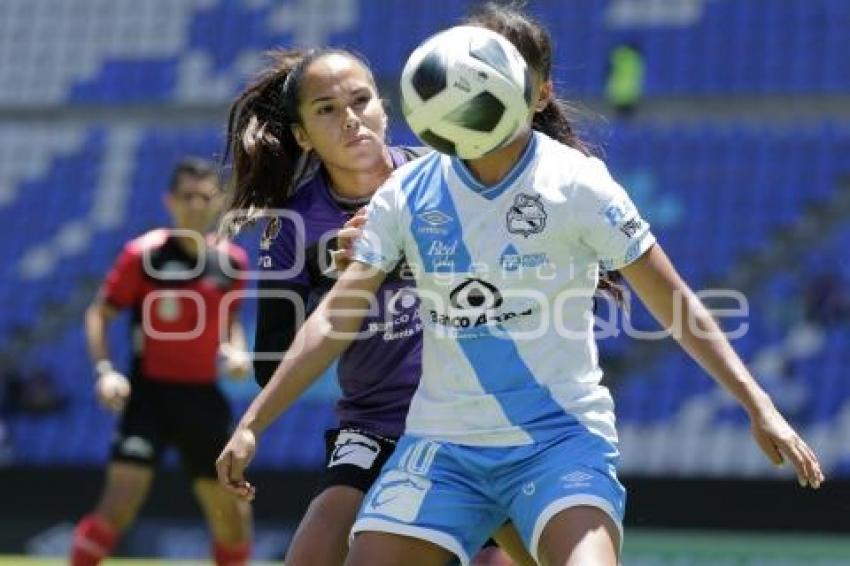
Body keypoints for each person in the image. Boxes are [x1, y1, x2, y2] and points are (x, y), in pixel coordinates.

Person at [218, 4, 822, 565]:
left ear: (530, 92)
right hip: (440, 447)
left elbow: (676, 302)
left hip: (556, 440)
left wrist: (758, 404)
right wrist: (252, 423)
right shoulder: (406, 193)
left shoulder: (578, 184)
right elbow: (331, 319)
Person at [220, 48, 527, 565]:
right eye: (325, 109)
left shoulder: (449, 181)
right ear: (301, 135)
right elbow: (270, 362)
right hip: (374, 420)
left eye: (361, 100)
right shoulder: (292, 227)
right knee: (316, 546)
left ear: (385, 108)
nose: (351, 119)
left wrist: (402, 254)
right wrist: (335, 278)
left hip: (472, 416)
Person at [70, 158, 253, 566]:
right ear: (170, 202)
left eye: (203, 197)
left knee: (233, 522)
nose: (194, 205)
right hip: (148, 397)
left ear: (218, 202)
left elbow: (232, 322)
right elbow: (99, 313)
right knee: (117, 508)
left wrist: (236, 350)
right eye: (186, 197)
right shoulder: (143, 255)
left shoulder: (233, 262)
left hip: (203, 400)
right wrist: (105, 371)